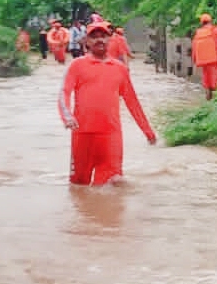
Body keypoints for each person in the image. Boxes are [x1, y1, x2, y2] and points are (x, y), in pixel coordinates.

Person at [59, 19, 157, 186]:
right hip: (83, 135)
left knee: (112, 183)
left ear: (110, 39)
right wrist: (67, 117)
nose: (100, 40)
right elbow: (64, 93)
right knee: (79, 186)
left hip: (110, 135)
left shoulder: (119, 69)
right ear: (87, 42)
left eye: (103, 36)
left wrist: (148, 131)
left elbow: (132, 102)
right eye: (94, 36)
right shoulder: (77, 65)